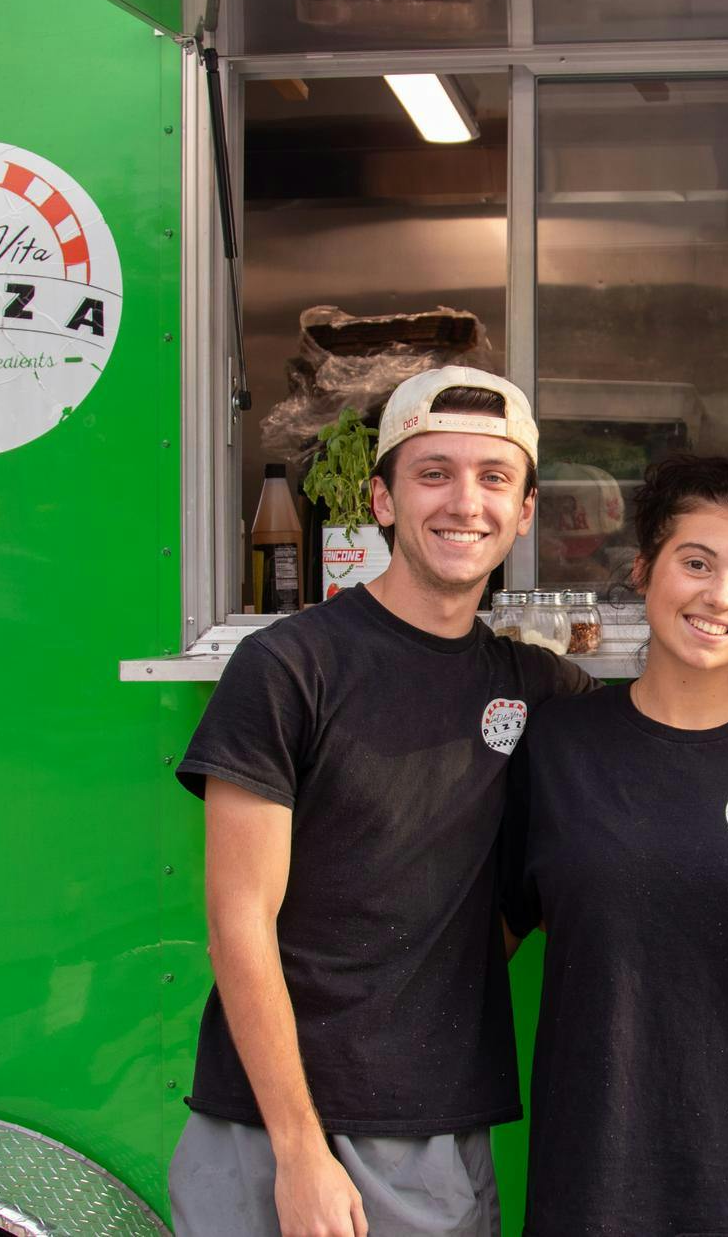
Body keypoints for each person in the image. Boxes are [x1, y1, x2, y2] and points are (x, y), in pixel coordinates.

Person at [169, 366, 596, 1237]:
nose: (464, 502)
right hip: (269, 1130)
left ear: (524, 511)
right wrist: (300, 1153)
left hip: (434, 1133)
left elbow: (676, 739)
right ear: (382, 498)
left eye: (493, 477)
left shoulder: (539, 688)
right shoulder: (288, 667)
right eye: (434, 473)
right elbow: (237, 923)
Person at [502, 454, 728, 1237]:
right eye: (696, 563)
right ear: (642, 569)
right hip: (591, 1189)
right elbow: (489, 938)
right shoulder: (558, 746)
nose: (720, 596)